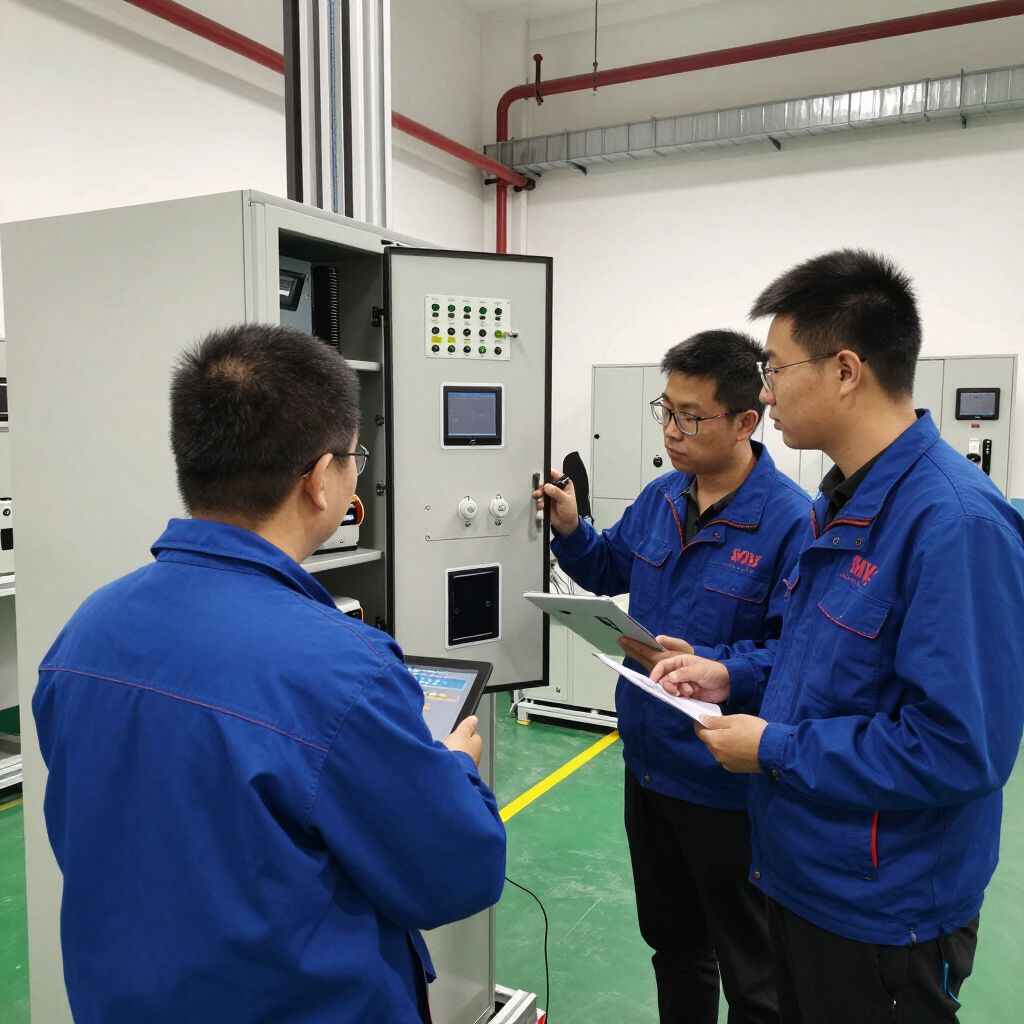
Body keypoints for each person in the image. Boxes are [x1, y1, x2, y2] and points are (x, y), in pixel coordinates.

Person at [33, 324, 506, 1024]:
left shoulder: (85, 631)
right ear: (318, 479)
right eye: (353, 459)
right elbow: (457, 874)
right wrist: (455, 770)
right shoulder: (346, 670)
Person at [654, 250, 1024, 1023]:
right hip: (803, 877)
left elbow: (960, 748)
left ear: (846, 370)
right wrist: (730, 675)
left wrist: (774, 748)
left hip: (886, 914)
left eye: (776, 368)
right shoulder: (840, 507)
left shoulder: (954, 525)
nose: (765, 391)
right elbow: (822, 667)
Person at [535, 330, 808, 1023]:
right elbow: (610, 566)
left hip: (726, 782)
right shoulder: (661, 497)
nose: (672, 431)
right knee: (674, 947)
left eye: (691, 417)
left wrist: (726, 669)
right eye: (666, 411)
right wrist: (573, 528)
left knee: (753, 971)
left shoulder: (790, 522)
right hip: (649, 767)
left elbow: (799, 655)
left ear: (746, 422)